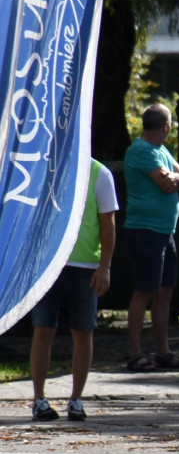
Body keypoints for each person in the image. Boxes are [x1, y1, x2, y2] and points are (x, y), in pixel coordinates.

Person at [30, 159, 118, 420]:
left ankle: (76, 399)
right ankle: (39, 399)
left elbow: (108, 224)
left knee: (83, 331)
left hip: (85, 265)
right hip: (47, 264)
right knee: (43, 328)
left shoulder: (99, 173)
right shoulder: (45, 166)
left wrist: (105, 267)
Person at [123, 104, 179, 371]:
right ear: (166, 126)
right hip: (146, 231)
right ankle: (135, 353)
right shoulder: (141, 151)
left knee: (164, 292)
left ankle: (163, 351)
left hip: (166, 231)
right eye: (171, 124)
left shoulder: (161, 150)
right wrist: (177, 179)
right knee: (144, 291)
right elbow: (167, 184)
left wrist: (177, 178)